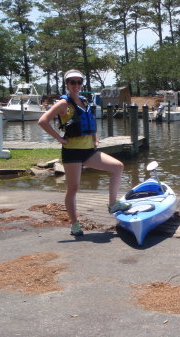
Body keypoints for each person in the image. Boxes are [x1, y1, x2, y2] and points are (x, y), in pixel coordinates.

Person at [38, 69, 130, 236]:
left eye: (79, 82)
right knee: (73, 188)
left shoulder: (84, 101)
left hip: (88, 151)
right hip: (72, 153)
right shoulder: (63, 104)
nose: (76, 85)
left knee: (117, 167)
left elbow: (91, 120)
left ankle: (112, 204)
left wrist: (95, 138)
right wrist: (59, 138)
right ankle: (75, 224)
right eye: (72, 82)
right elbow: (42, 121)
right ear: (67, 84)